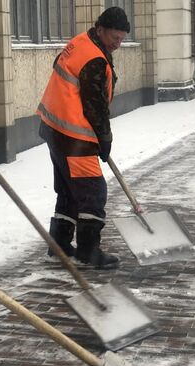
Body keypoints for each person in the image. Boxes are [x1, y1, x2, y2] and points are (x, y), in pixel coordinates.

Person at [35, 7, 130, 270]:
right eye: (115, 38)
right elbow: (95, 107)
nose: (118, 44)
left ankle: (59, 246)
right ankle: (88, 252)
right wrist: (105, 138)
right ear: (101, 29)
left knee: (69, 190)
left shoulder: (80, 43)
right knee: (93, 192)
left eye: (122, 39)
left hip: (54, 128)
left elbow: (60, 68)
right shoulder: (95, 59)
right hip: (73, 136)